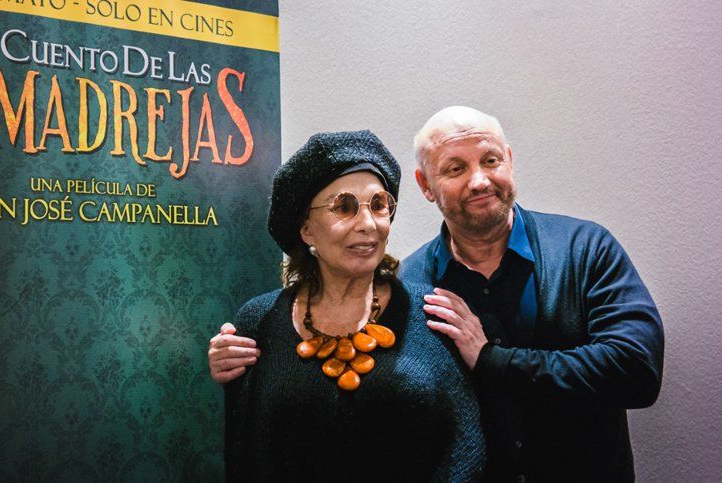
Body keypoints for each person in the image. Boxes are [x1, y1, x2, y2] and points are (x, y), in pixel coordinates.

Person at [210, 108, 664, 482]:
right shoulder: (415, 286)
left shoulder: (584, 249)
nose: (479, 181)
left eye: (491, 160)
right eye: (455, 168)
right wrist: (237, 360)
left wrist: (493, 361)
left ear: (509, 160)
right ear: (426, 186)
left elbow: (638, 371)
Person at [215, 130, 485, 482]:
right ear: (307, 229)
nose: (368, 224)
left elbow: (464, 449)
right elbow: (245, 453)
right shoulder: (258, 321)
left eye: (379, 205)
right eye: (344, 207)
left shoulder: (432, 313)